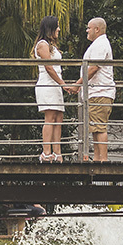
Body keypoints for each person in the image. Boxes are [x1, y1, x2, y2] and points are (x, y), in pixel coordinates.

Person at [69, 17, 116, 161]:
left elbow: (93, 68)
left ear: (97, 29)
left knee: (99, 126)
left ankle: (103, 159)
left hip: (100, 92)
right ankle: (97, 157)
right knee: (95, 127)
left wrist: (78, 84)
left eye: (89, 28)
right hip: (95, 92)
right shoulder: (98, 44)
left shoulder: (100, 44)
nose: (87, 31)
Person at [34, 15, 71, 162]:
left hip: (55, 84)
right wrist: (63, 83)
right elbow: (48, 67)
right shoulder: (42, 44)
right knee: (50, 117)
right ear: (50, 28)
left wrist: (61, 84)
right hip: (47, 84)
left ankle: (57, 152)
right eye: (57, 26)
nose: (59, 29)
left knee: (58, 117)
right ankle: (46, 152)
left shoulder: (52, 46)